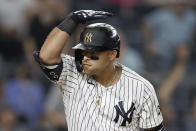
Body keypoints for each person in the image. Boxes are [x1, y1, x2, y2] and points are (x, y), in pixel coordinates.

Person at [33, 10, 164, 131]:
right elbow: (46, 57)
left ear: (112, 54)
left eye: (93, 53)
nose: (85, 58)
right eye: (83, 52)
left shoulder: (141, 87)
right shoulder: (73, 72)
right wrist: (72, 20)